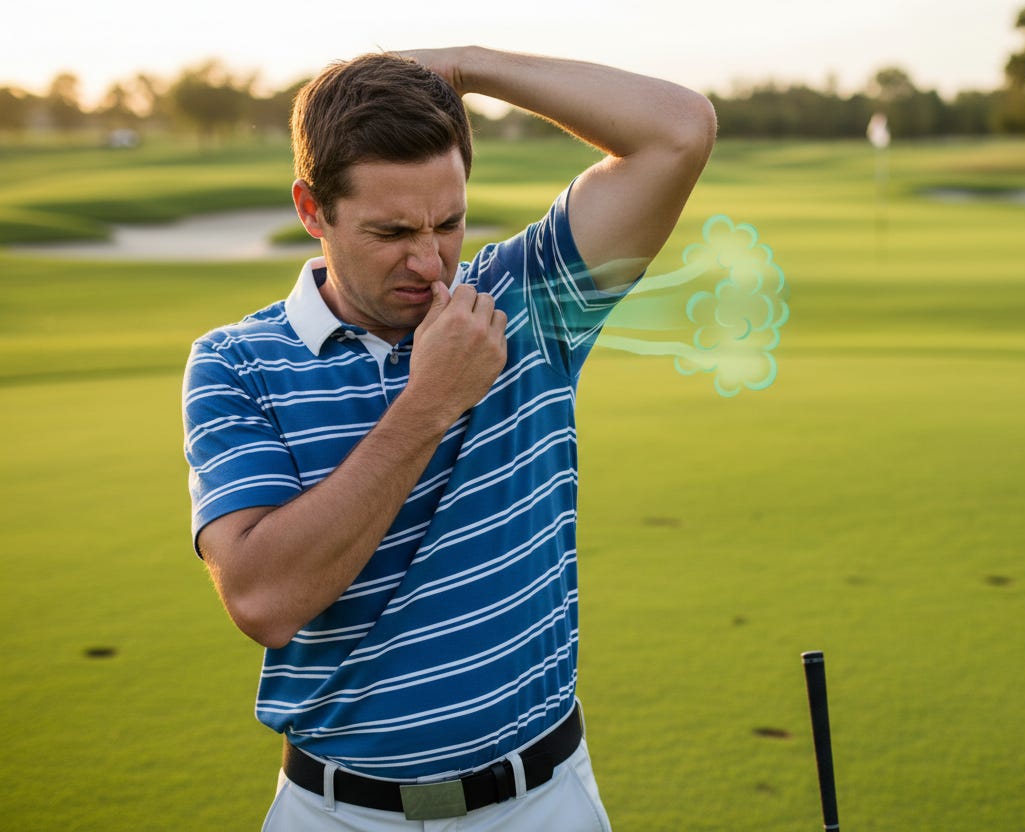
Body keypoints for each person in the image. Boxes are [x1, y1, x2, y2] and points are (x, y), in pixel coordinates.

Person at [181, 46, 715, 831]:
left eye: (450, 222)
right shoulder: (236, 364)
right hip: (337, 813)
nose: (431, 262)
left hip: (543, 801)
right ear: (311, 209)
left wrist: (466, 68)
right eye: (392, 230)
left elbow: (679, 130)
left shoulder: (525, 301)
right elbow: (263, 598)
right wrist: (430, 401)